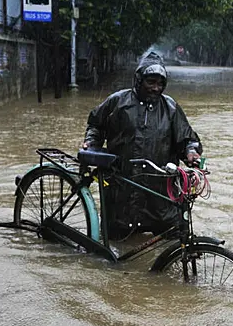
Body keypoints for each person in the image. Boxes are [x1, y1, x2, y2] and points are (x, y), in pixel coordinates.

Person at [82, 52, 202, 237]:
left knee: (171, 243)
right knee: (117, 246)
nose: (156, 88)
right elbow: (96, 125)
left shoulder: (170, 108)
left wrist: (191, 152)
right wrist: (91, 143)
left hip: (159, 194)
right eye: (151, 82)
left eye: (160, 83)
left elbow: (186, 139)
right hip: (122, 188)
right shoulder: (118, 101)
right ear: (138, 80)